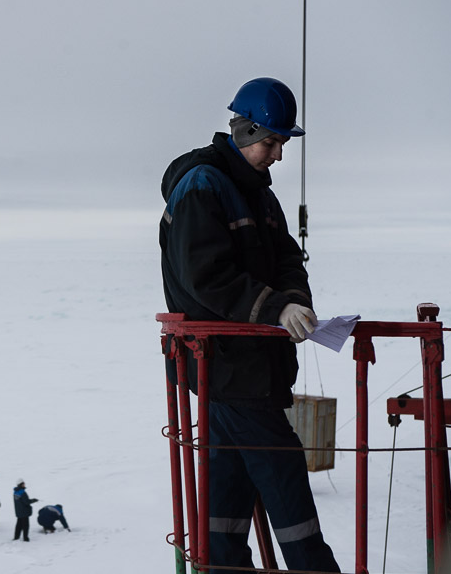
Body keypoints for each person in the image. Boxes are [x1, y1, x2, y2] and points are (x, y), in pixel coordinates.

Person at [159, 77, 340, 573]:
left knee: (224, 515)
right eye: (272, 141)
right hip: (234, 371)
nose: (278, 154)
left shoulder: (257, 194)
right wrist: (275, 310)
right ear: (243, 130)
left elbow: (287, 260)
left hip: (241, 374)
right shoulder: (203, 186)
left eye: (282, 142)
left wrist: (294, 302)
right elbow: (206, 277)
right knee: (293, 512)